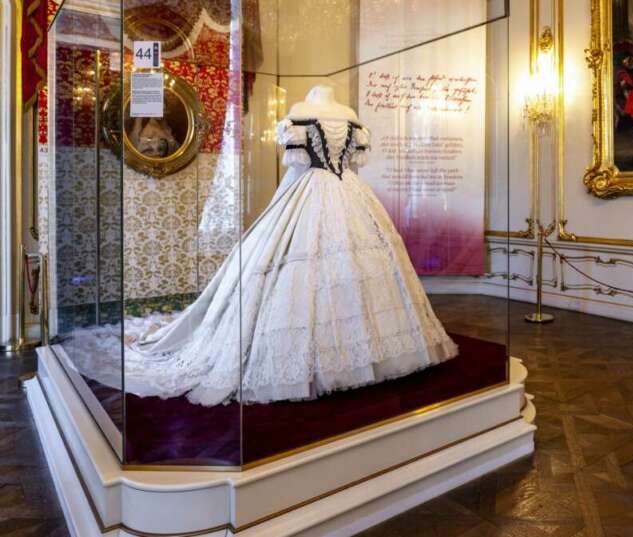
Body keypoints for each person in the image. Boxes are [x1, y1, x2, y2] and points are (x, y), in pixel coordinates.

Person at [74, 85, 459, 405]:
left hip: (312, 191)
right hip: (349, 193)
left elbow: (296, 166)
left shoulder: (300, 112)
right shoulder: (350, 115)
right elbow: (352, 163)